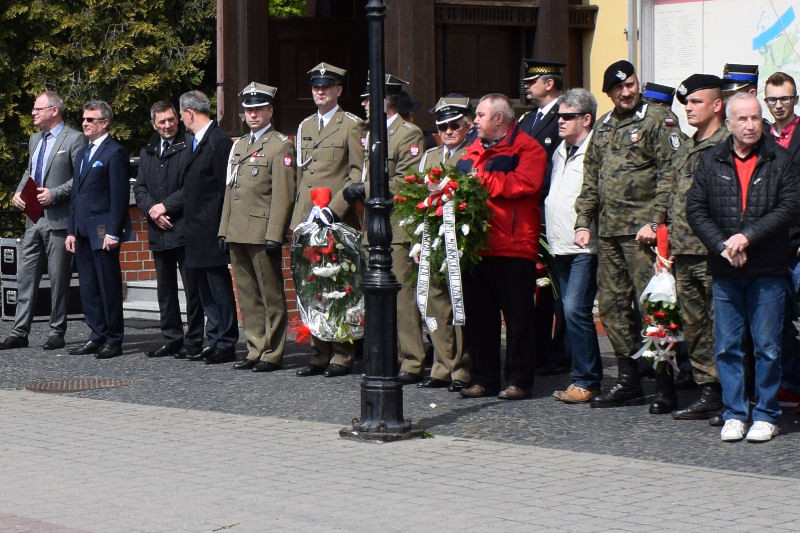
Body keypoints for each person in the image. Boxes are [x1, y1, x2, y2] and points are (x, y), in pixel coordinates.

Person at [686, 92, 800, 442]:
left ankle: (766, 413)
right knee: (728, 345)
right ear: (730, 124)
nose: (750, 125)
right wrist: (723, 245)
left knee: (767, 346)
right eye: (743, 120)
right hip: (726, 269)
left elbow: (790, 207)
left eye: (755, 118)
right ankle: (735, 412)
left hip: (767, 267)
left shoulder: (780, 159)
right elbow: (696, 209)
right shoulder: (711, 161)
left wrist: (746, 237)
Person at [573, 60, 682, 409]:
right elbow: (591, 178)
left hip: (644, 235)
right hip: (609, 234)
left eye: (631, 84)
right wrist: (582, 221)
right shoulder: (603, 126)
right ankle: (628, 379)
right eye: (619, 88)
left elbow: (671, 174)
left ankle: (665, 382)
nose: (627, 92)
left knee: (655, 306)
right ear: (608, 94)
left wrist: (656, 220)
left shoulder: (658, 118)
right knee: (613, 307)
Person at [456, 93, 547, 400]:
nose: (475, 120)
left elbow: (526, 184)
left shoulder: (527, 148)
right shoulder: (473, 148)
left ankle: (520, 380)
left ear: (499, 118)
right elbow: (458, 180)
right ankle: (484, 378)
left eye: (480, 115)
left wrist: (481, 181)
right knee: (480, 319)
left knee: (519, 318)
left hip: (513, 244)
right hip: (477, 246)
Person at [345, 74, 426, 384]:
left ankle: (412, 360)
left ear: (383, 102)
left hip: (397, 226)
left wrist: (363, 189)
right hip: (373, 227)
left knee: (403, 299)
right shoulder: (373, 133)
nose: (364, 105)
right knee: (377, 300)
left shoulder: (408, 134)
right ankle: (386, 357)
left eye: (368, 99)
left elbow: (405, 181)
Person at [291, 62, 366, 378]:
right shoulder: (305, 125)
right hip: (308, 218)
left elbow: (355, 173)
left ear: (338, 90)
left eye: (326, 87)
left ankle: (343, 353)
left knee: (339, 286)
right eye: (316, 87)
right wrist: (298, 216)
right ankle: (319, 352)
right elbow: (300, 174)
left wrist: (334, 209)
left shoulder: (351, 124)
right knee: (312, 286)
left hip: (335, 218)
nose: (320, 92)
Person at [219, 82, 295, 373]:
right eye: (249, 110)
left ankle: (273, 351)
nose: (253, 115)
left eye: (258, 109)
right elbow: (231, 189)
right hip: (238, 229)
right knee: (248, 294)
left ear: (270, 111)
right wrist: (223, 229)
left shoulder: (280, 145)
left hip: (263, 231)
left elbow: (283, 194)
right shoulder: (239, 145)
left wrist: (276, 233)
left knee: (270, 293)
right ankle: (255, 346)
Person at [0, 91, 86, 351]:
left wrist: (55, 194)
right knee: (26, 277)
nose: (33, 113)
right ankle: (19, 331)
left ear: (54, 110)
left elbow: (80, 179)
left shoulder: (74, 139)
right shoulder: (35, 139)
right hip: (33, 218)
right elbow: (30, 170)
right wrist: (18, 190)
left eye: (38, 109)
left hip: (58, 219)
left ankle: (56, 330)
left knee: (59, 279)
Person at [665, 74, 729, 420]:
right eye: (686, 103)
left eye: (696, 102)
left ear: (717, 105)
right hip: (685, 251)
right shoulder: (688, 145)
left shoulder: (728, 143)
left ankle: (734, 394)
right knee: (696, 326)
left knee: (725, 326)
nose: (688, 108)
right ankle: (710, 391)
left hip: (714, 252)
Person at [133, 101, 204, 359]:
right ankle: (172, 337)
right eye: (161, 121)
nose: (167, 125)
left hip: (183, 228)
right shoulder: (148, 151)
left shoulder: (189, 145)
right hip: (159, 231)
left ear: (178, 118)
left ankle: (195, 339)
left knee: (192, 289)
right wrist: (153, 209)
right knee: (165, 290)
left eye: (171, 119)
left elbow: (191, 187)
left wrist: (165, 207)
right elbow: (139, 188)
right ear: (154, 124)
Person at [412, 95, 473, 392]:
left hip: (459, 240)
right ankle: (440, 365)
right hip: (431, 239)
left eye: (454, 125)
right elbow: (416, 200)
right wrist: (417, 242)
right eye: (443, 126)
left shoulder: (471, 155)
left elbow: (473, 200)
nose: (448, 131)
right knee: (433, 306)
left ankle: (460, 368)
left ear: (467, 125)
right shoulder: (430, 157)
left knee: (458, 307)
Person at [548, 88, 603, 404]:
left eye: (568, 116)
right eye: (559, 116)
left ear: (586, 119)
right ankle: (583, 377)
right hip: (560, 243)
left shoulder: (594, 150)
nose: (560, 121)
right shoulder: (560, 150)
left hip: (585, 245)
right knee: (569, 312)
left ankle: (587, 380)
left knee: (575, 309)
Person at [65, 100, 131, 359]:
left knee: (108, 285)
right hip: (81, 230)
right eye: (83, 119)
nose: (84, 123)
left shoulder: (114, 153)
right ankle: (97, 333)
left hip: (103, 230)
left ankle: (114, 338)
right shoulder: (83, 153)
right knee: (89, 286)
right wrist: (71, 230)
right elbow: (76, 194)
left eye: (90, 119)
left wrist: (114, 232)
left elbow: (119, 196)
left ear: (104, 122)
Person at [178, 90, 239, 364]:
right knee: (205, 289)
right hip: (195, 228)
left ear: (189, 113)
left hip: (211, 226)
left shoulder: (217, 140)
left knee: (218, 287)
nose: (181, 120)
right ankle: (213, 338)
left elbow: (225, 188)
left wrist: (223, 228)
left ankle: (226, 341)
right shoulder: (196, 141)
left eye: (181, 115)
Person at [518, 59, 569, 375]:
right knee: (536, 284)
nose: (526, 86)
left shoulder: (565, 116)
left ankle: (561, 352)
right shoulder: (528, 119)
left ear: (549, 83)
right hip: (530, 211)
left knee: (560, 289)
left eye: (531, 81)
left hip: (553, 209)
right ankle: (537, 350)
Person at [762, 72, 800, 412]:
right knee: (779, 320)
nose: (778, 105)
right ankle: (790, 383)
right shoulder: (761, 137)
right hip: (771, 246)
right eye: (772, 100)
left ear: (795, 99)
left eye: (784, 99)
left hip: (799, 244)